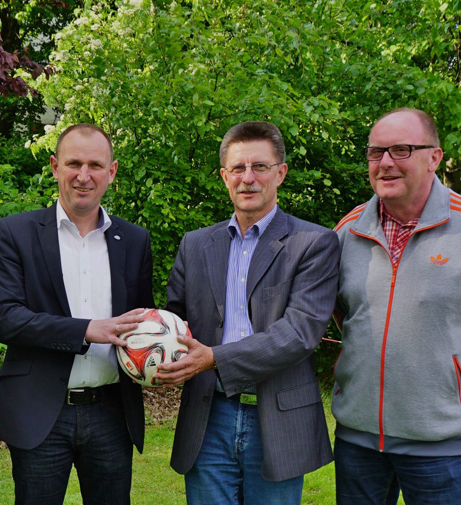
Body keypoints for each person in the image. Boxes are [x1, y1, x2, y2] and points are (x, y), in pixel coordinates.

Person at [331, 107, 461, 504]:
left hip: (440, 445)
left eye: (402, 150)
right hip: (357, 441)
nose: (386, 163)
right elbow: (345, 313)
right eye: (376, 153)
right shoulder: (347, 231)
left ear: (435, 158)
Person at [154, 121, 339, 504]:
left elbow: (299, 333)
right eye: (238, 168)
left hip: (276, 417)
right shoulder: (195, 244)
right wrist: (152, 346)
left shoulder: (313, 243)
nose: (248, 178)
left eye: (260, 167)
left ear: (281, 173)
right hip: (209, 418)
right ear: (225, 176)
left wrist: (213, 358)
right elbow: (175, 321)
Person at [0, 123, 152, 504]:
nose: (84, 175)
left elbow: (139, 324)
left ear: (111, 172)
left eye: (95, 164)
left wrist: (165, 346)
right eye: (73, 163)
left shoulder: (135, 240)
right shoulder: (16, 232)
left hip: (112, 412)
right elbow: (5, 318)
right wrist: (86, 330)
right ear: (54, 166)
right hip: (40, 410)